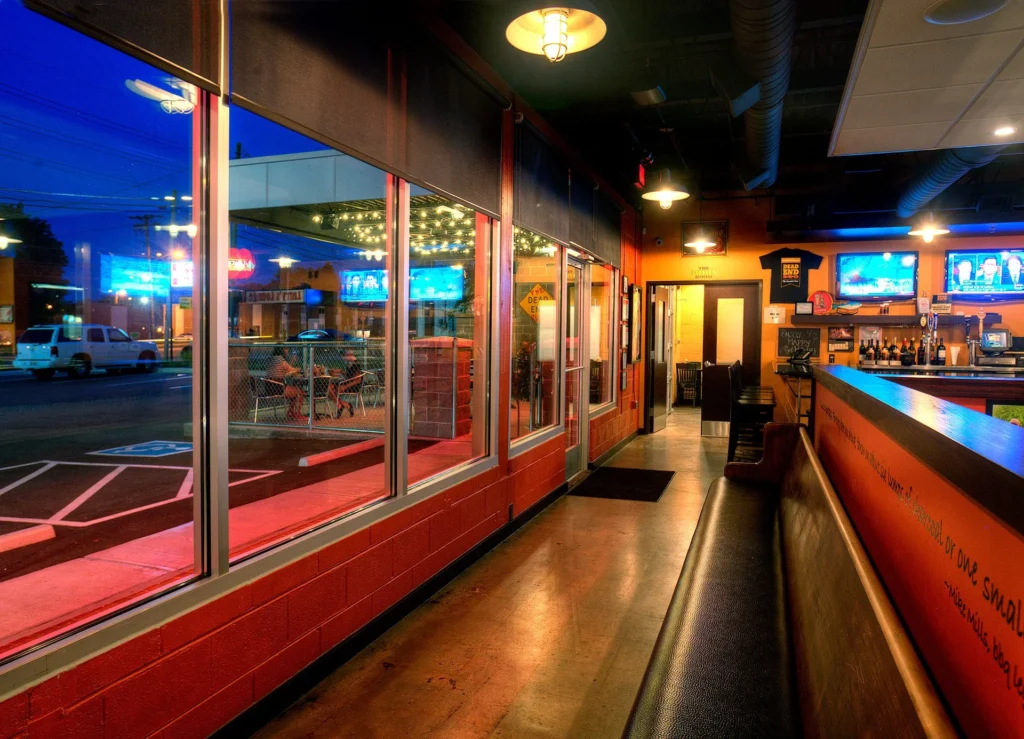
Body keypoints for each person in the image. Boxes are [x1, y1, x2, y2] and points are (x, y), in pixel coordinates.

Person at [267, 346, 307, 422]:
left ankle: (291, 412)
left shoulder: (271, 360)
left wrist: (292, 364)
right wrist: (298, 369)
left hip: (269, 388)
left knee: (294, 391)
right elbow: (291, 370)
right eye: (285, 349)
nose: (287, 350)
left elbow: (286, 371)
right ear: (281, 350)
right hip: (279, 388)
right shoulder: (281, 361)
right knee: (300, 392)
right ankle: (297, 414)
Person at [330, 349, 364, 417]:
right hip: (347, 383)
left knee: (333, 390)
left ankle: (341, 406)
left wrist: (345, 386)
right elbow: (349, 376)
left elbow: (357, 380)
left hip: (354, 386)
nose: (343, 357)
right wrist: (340, 371)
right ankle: (345, 405)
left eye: (344, 355)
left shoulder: (355, 364)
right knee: (329, 387)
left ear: (349, 355)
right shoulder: (349, 363)